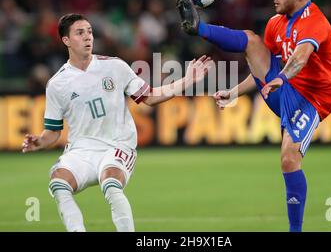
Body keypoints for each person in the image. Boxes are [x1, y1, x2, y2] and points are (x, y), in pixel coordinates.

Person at [176, 0, 331, 232]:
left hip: (312, 98)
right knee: (252, 42)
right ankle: (199, 28)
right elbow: (260, 67)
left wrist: (281, 78)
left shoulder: (315, 21)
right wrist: (234, 91)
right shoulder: (275, 24)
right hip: (282, 88)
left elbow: (300, 58)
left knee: (289, 159)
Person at [21, 13, 212, 232]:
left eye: (90, 32)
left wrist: (187, 80)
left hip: (117, 145)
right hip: (82, 150)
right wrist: (39, 142)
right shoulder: (57, 84)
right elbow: (53, 132)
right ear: (66, 40)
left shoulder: (114, 67)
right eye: (80, 33)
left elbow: (149, 97)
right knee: (58, 183)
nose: (87, 37)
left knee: (111, 184)